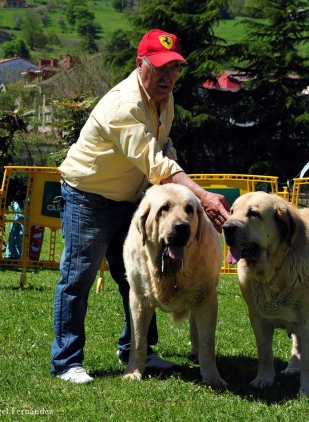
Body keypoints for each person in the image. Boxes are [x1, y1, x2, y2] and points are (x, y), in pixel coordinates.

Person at [51, 29, 230, 384]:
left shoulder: (166, 98)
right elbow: (156, 165)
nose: (168, 76)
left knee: (132, 279)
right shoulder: (124, 105)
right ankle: (67, 362)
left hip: (130, 200)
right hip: (88, 196)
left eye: (175, 68)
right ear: (140, 65)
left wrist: (187, 192)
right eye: (160, 67)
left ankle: (139, 352)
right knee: (78, 278)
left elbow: (165, 150)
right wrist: (202, 197)